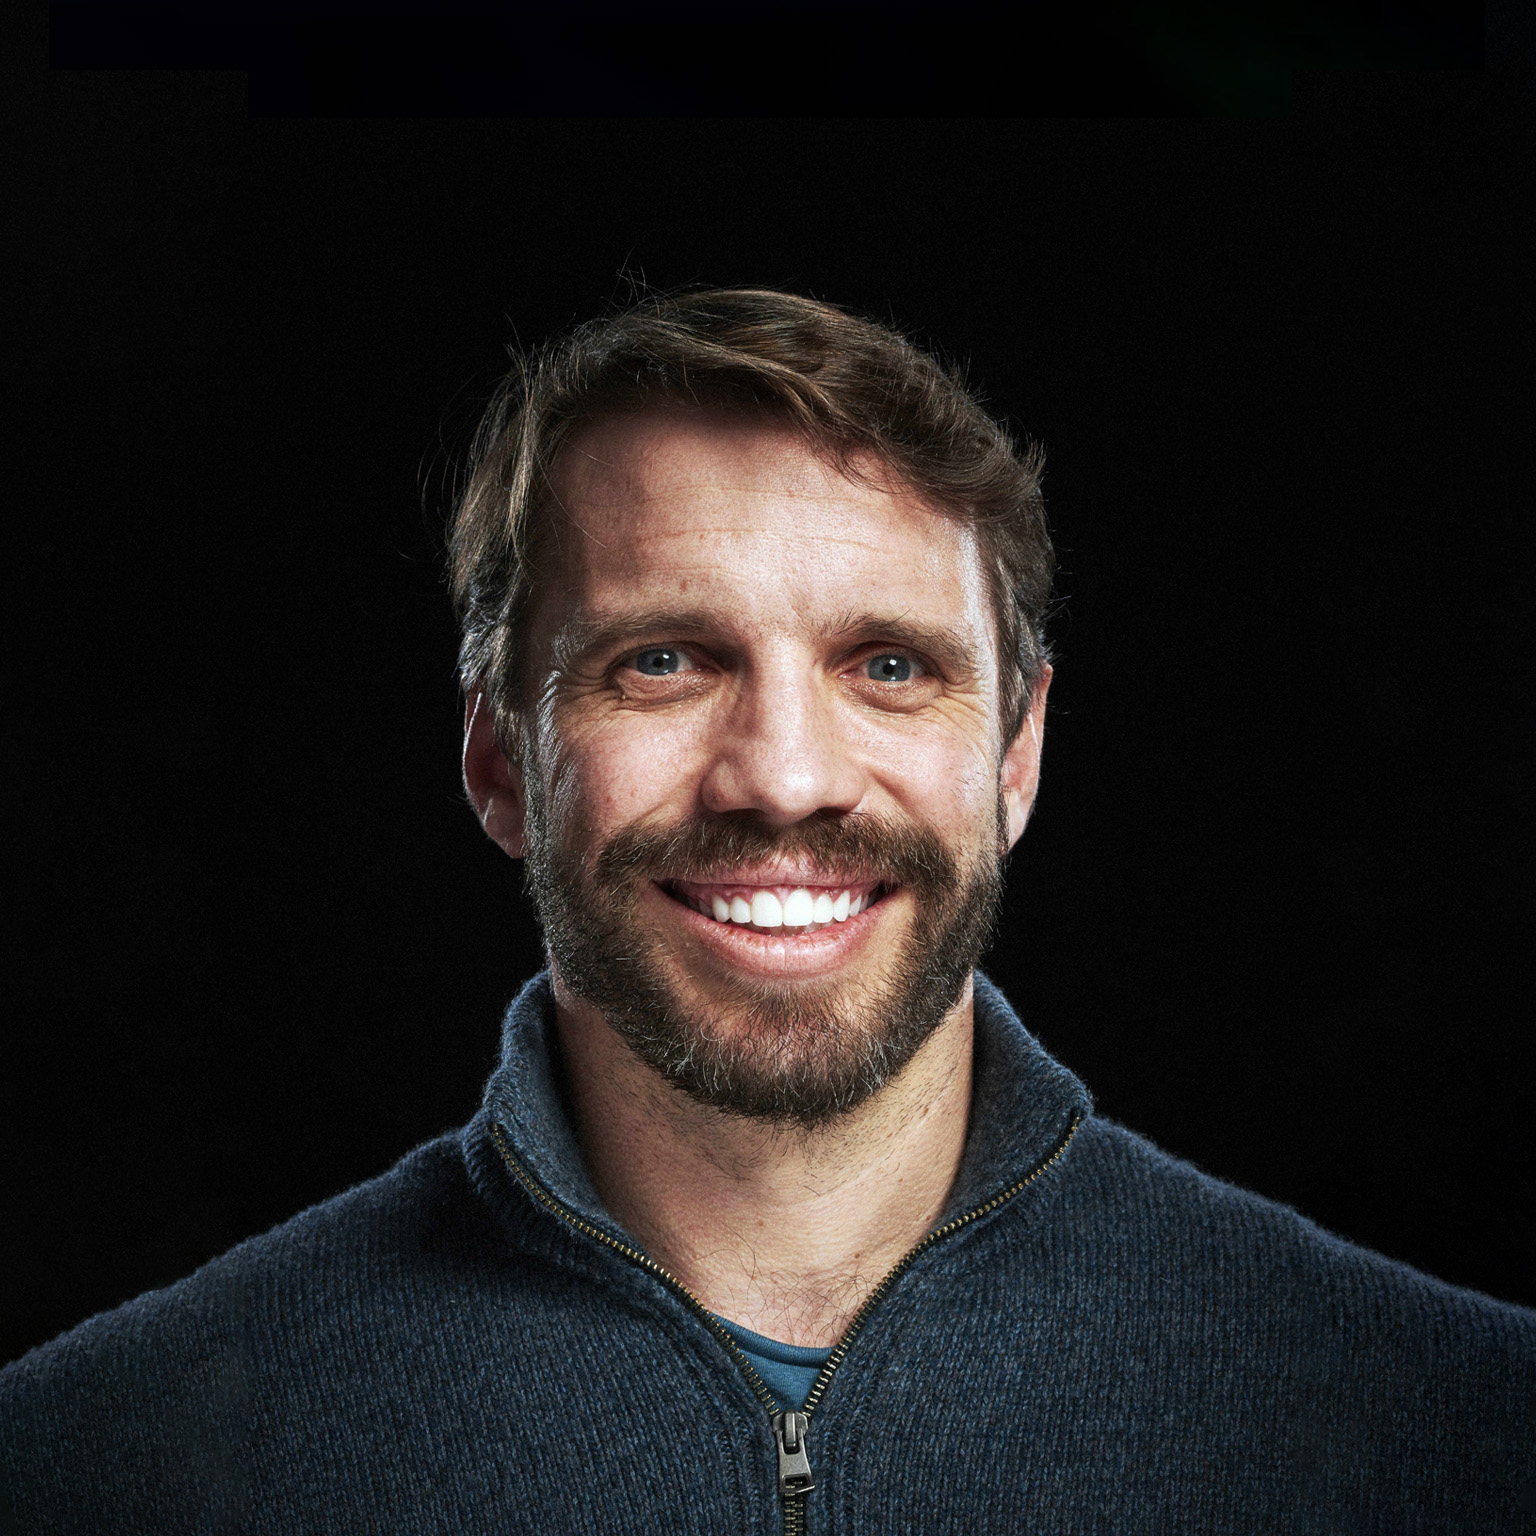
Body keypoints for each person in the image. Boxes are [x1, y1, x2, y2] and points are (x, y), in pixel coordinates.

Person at [2, 288, 1530, 1533]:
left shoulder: (1462, 1432)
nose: (785, 778)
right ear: (499, 759)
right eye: (664, 660)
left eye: (889, 665)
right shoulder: (96, 1466)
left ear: (1018, 753)